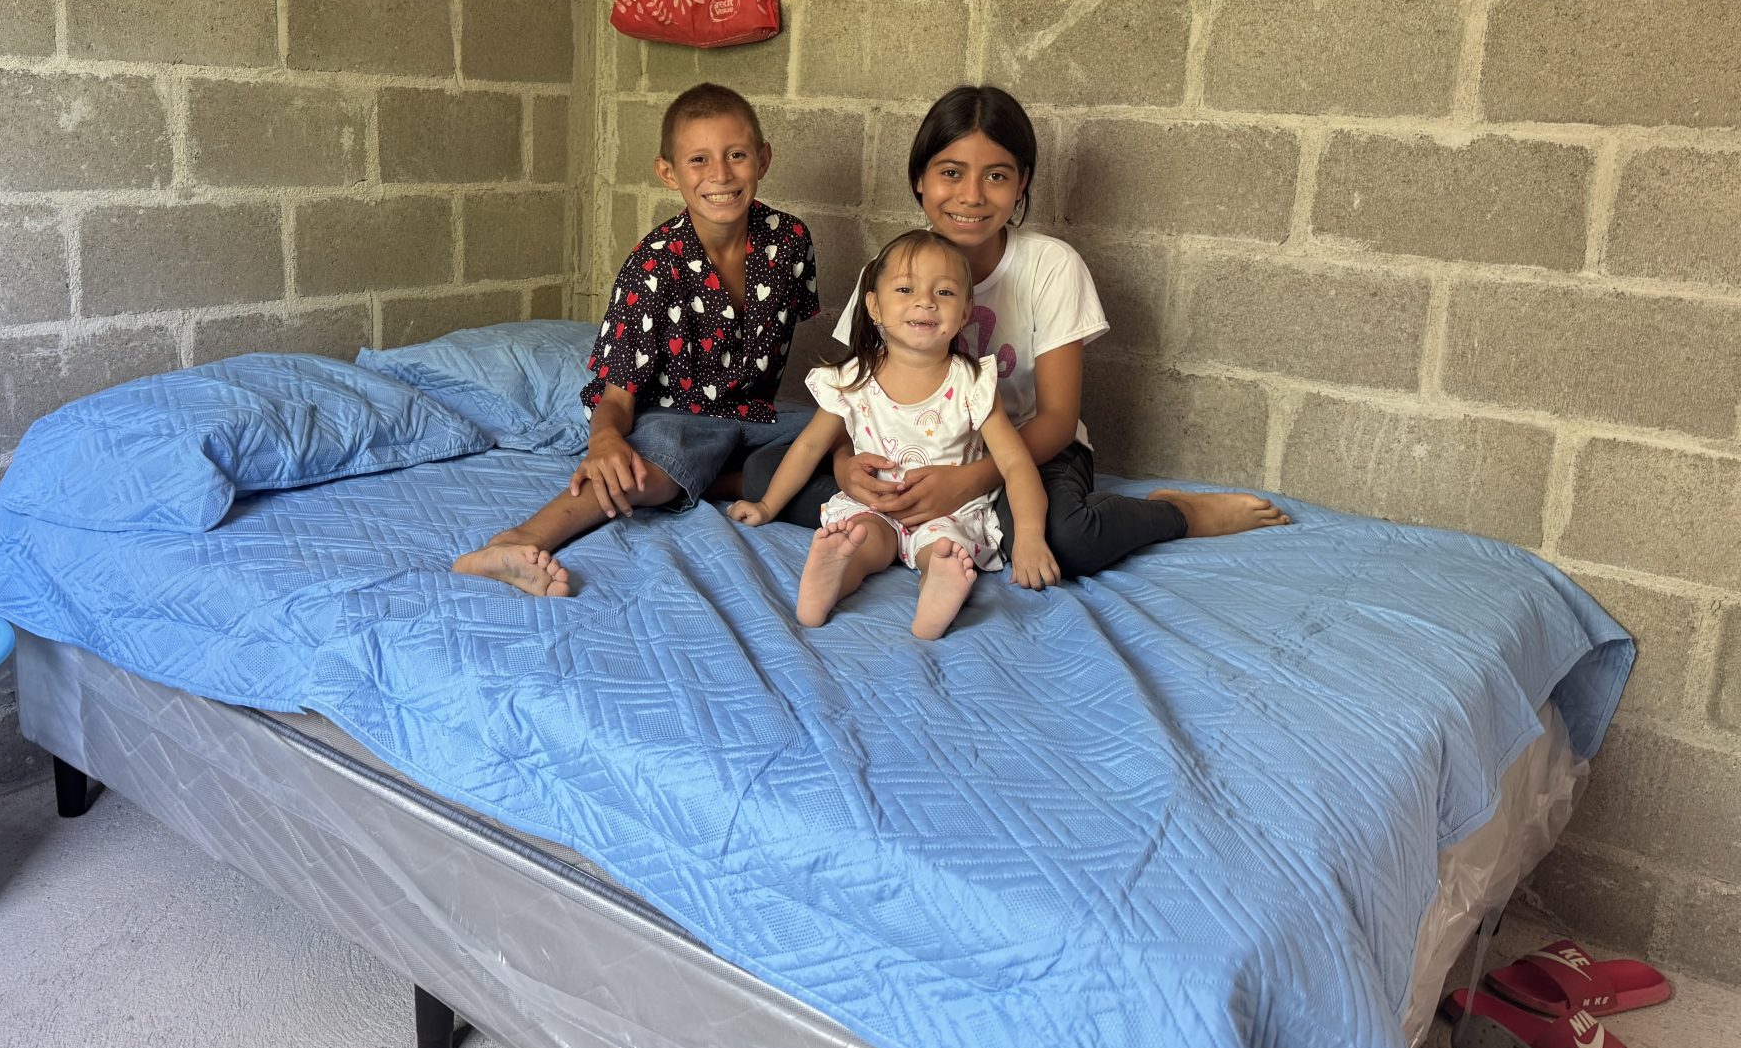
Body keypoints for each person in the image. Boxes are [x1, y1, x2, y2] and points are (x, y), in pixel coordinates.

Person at [740, 83, 1286, 579]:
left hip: (1028, 453)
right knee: (766, 472)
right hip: (905, 453)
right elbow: (854, 398)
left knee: (1068, 541)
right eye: (950, 172)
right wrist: (846, 470)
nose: (971, 195)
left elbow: (1058, 419)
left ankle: (1176, 513)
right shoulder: (890, 273)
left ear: (1022, 182)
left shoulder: (1052, 266)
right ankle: (907, 527)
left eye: (997, 176)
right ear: (919, 179)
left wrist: (967, 481)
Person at [453, 84, 818, 595]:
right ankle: (515, 541)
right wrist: (604, 442)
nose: (720, 174)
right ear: (668, 172)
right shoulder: (654, 265)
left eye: (736, 155)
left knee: (842, 432)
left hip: (753, 416)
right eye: (698, 159)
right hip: (673, 415)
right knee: (649, 467)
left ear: (763, 159)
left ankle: (717, 477)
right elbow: (618, 395)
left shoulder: (790, 241)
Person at [730, 229, 1057, 639]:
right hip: (874, 505)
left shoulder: (973, 383)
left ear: (965, 312)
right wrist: (766, 506)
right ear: (874, 306)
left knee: (944, 549)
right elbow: (810, 445)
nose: (925, 302)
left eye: (944, 292)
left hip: (948, 513)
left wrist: (1029, 538)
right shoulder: (852, 377)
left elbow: (1016, 464)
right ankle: (832, 577)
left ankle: (939, 584)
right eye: (905, 289)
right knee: (862, 538)